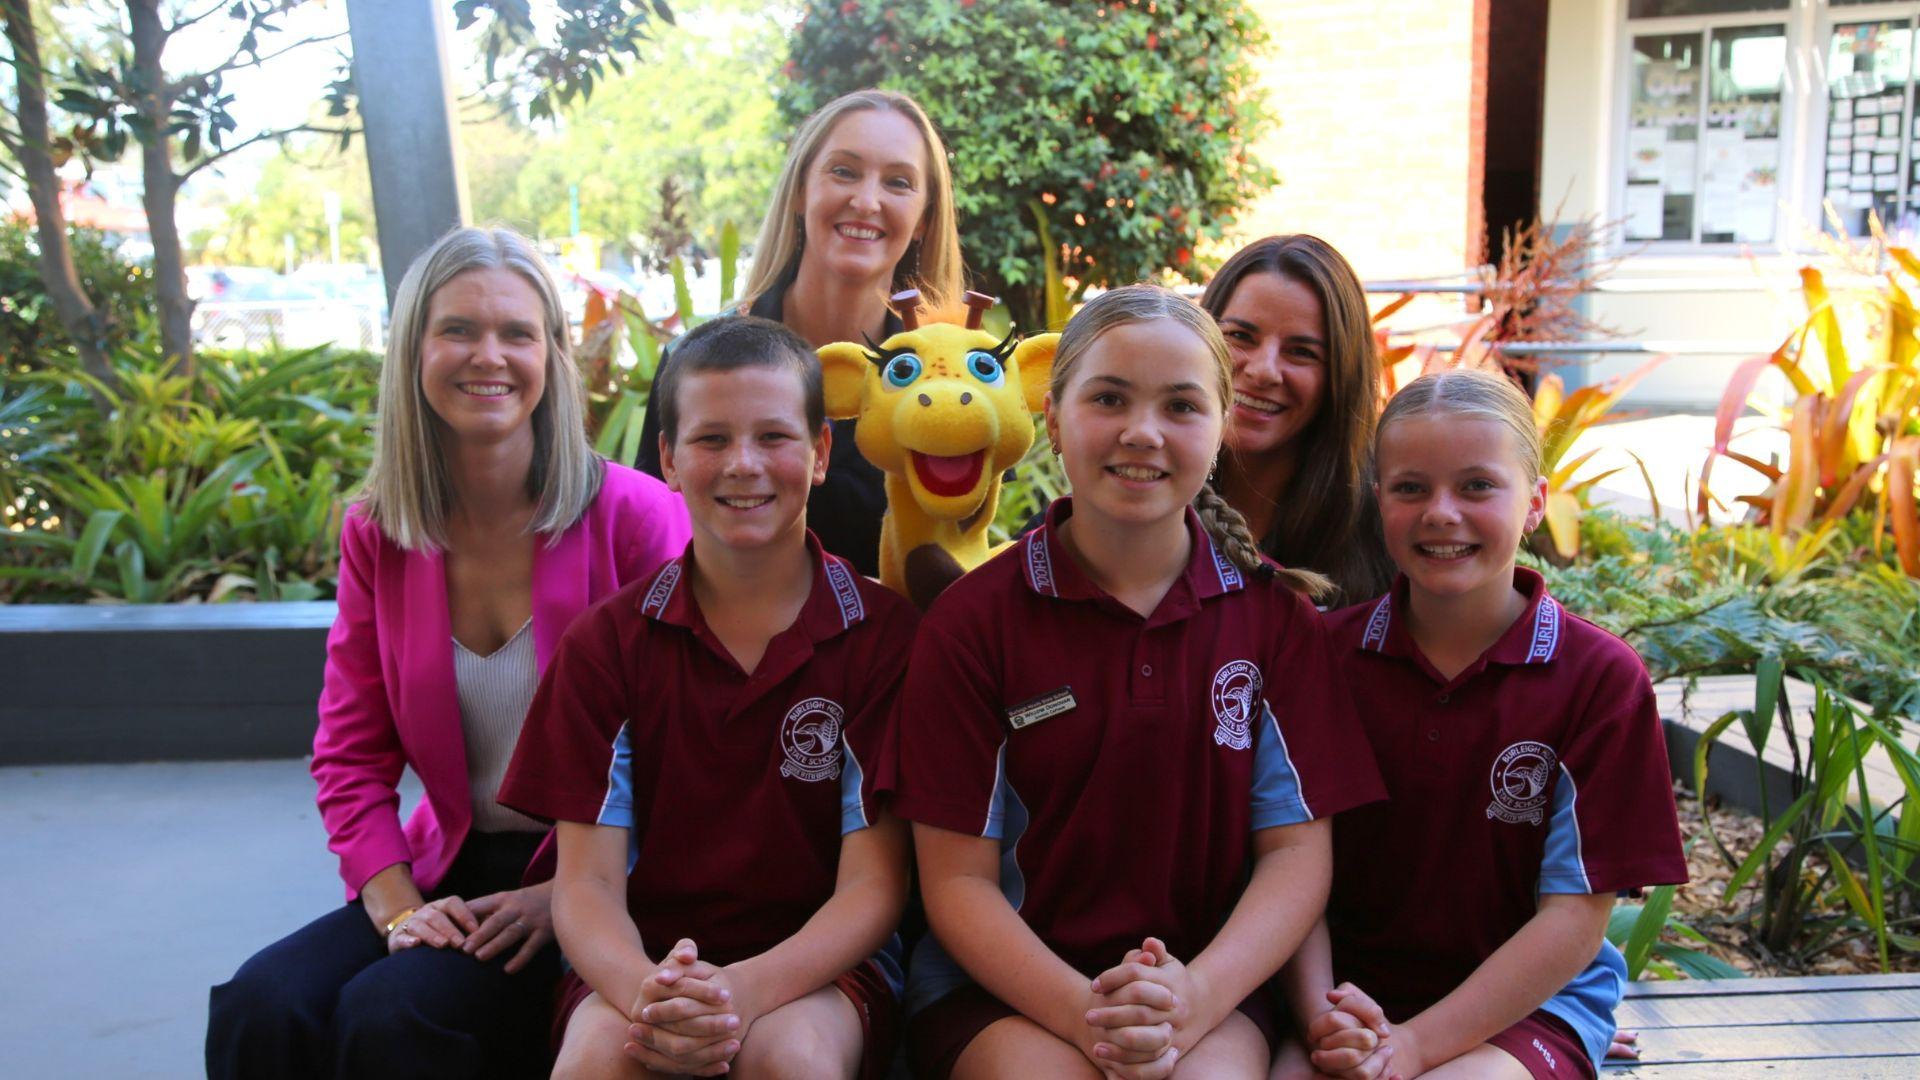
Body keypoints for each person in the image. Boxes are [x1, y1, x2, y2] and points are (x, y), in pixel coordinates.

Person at [206, 227, 691, 1080]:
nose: (488, 356)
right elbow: (351, 756)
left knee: (393, 1017)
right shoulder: (378, 532)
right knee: (262, 1003)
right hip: (448, 865)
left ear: (551, 354)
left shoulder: (638, 518)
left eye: (517, 333)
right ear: (414, 351)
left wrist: (566, 899)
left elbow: (698, 753)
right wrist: (396, 907)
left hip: (605, 874)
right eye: (458, 329)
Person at [893, 285, 1385, 1080]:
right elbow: (956, 882)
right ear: (1052, 415)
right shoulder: (972, 622)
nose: (1142, 432)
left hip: (1208, 988)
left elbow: (1296, 854)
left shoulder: (1274, 622)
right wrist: (1091, 1019)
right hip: (1006, 991)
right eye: (1109, 398)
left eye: (1182, 407)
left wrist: (1194, 997)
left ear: (1223, 429)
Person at [498, 316, 919, 1079]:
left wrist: (744, 991)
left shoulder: (884, 637)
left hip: (816, 970)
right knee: (597, 1057)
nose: (744, 465)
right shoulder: (607, 645)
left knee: (789, 1057)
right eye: (712, 439)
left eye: (774, 437)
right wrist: (648, 991)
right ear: (667, 457)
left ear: (821, 453)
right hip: (641, 965)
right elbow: (586, 882)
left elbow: (875, 883)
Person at [1275, 368, 1687, 1080]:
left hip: (1531, 1004)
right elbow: (1291, 864)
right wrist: (1322, 1014)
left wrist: (1415, 1046)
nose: (1441, 512)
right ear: (1379, 501)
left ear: (1536, 503)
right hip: (1347, 996)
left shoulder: (1600, 680)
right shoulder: (1322, 657)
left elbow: (1574, 919)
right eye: (1410, 487)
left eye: (1476, 486)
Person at [637, 88, 965, 576]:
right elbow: (652, 545)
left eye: (898, 182)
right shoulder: (695, 365)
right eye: (844, 171)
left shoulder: (955, 383)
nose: (866, 200)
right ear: (799, 190)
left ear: (925, 219)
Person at [1197, 235, 1396, 606]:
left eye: (1301, 352)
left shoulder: (1387, 525)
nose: (1263, 371)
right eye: (1240, 336)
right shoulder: (1141, 501)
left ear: (1341, 376)